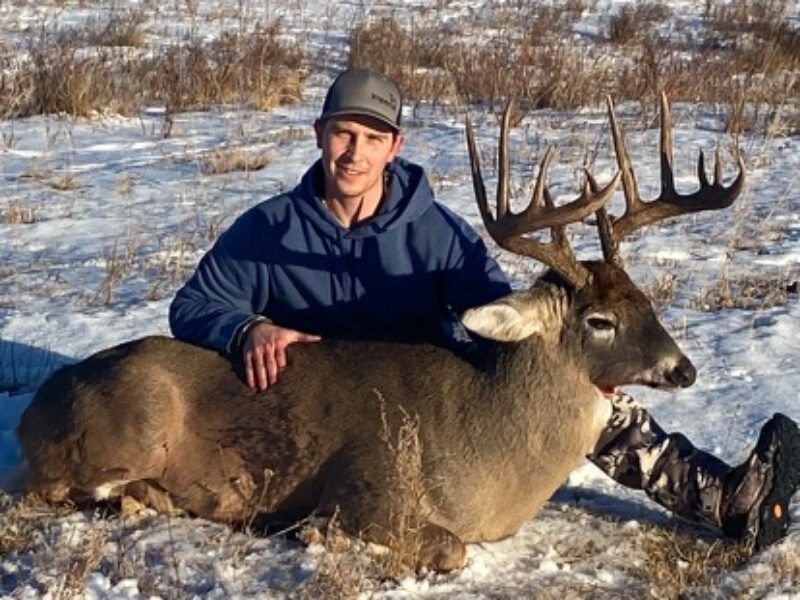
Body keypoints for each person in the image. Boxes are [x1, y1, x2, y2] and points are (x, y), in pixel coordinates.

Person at [170, 67, 800, 553]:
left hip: (427, 404)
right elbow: (194, 306)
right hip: (321, 402)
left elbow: (498, 320)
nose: (353, 153)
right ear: (320, 135)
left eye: (371, 138)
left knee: (569, 389)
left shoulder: (439, 235)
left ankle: (721, 497)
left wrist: (574, 313)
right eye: (342, 134)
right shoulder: (269, 229)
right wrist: (249, 326)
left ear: (395, 146)